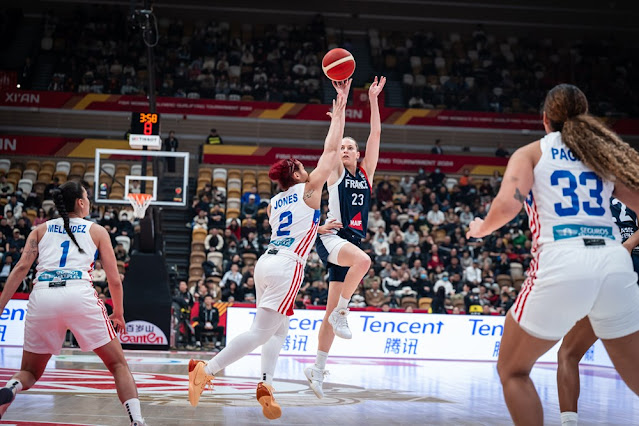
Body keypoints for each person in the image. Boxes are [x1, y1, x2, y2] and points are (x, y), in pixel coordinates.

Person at [466, 84, 639, 426]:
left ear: (544, 119)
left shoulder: (533, 153)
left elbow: (506, 206)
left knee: (513, 371)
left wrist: (481, 228)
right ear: (584, 118)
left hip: (562, 261)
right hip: (613, 262)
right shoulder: (602, 156)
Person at [187, 81, 349, 419]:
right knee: (261, 332)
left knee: (280, 329)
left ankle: (266, 384)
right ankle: (207, 370)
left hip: (267, 262)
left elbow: (293, 230)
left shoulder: (276, 202)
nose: (308, 169)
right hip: (287, 266)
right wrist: (340, 111)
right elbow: (332, 153)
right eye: (303, 168)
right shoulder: (308, 189)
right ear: (297, 175)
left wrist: (318, 228)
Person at [0, 181, 146, 425]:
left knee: (30, 372)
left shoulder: (40, 230)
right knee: (118, 364)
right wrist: (118, 312)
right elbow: (114, 280)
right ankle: (137, 421)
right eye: (87, 197)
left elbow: (21, 268)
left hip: (43, 294)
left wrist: (2, 304)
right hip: (79, 293)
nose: (88, 200)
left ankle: (12, 387)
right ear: (80, 202)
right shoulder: (97, 231)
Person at [306, 76, 386, 399]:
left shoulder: (366, 172)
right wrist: (339, 110)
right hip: (334, 237)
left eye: (351, 147)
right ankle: (343, 311)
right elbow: (332, 143)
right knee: (365, 261)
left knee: (327, 313)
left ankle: (317, 369)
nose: (346, 149)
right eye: (343, 148)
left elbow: (376, 134)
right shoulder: (336, 173)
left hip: (352, 241)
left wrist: (373, 101)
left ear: (358, 153)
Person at [556, 198, 639, 426]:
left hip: (618, 273)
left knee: (568, 354)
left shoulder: (597, 190)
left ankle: (568, 423)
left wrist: (628, 245)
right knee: (568, 354)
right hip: (615, 272)